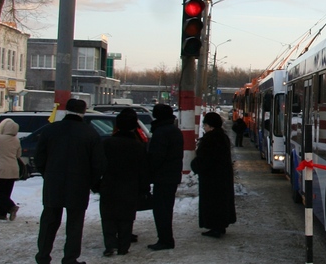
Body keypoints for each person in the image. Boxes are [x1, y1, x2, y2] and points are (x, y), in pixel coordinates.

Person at [34, 98, 106, 264]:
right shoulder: (90, 133)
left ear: (66, 110)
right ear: (84, 111)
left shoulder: (50, 130)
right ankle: (70, 260)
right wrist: (91, 181)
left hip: (53, 182)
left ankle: (43, 257)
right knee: (75, 223)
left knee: (49, 220)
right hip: (79, 183)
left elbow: (39, 158)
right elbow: (98, 164)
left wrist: (48, 174)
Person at [97, 108, 149, 256]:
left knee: (108, 216)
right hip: (130, 186)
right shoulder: (138, 146)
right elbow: (143, 169)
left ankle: (110, 244)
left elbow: (98, 165)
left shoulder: (107, 143)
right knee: (126, 217)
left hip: (109, 185)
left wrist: (96, 184)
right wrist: (144, 189)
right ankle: (123, 246)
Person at [191, 111, 236, 237]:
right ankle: (220, 226)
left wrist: (195, 165)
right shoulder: (223, 137)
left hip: (212, 178)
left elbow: (205, 159)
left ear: (210, 126)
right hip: (222, 177)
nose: (204, 128)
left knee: (213, 202)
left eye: (205, 125)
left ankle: (215, 227)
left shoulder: (210, 139)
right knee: (221, 202)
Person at [147, 103, 184, 251]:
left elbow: (156, 157)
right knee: (166, 208)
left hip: (162, 177)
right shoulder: (174, 130)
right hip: (172, 175)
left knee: (161, 209)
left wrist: (149, 173)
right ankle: (165, 238)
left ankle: (165, 239)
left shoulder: (161, 132)